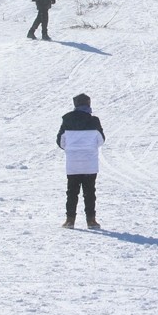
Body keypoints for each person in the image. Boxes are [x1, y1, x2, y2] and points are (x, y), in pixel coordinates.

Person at [57, 93, 105, 229]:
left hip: (73, 163)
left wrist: (72, 148)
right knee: (89, 192)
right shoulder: (94, 121)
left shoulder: (67, 120)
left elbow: (61, 141)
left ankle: (69, 220)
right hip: (90, 163)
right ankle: (91, 220)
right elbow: (101, 140)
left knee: (72, 191)